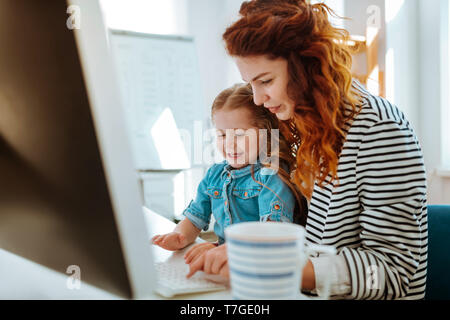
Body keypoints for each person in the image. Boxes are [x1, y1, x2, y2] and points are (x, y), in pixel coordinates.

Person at [186, 0, 427, 300]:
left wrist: (272, 267)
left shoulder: (378, 129)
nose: (259, 100)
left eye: (266, 81)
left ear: (306, 66)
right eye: (251, 85)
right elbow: (308, 239)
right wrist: (231, 253)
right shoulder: (305, 126)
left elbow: (393, 272)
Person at [152, 83, 307, 258]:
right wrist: (179, 236)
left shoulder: (271, 176)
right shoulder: (214, 175)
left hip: (261, 264)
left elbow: (272, 234)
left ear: (265, 133)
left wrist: (223, 250)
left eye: (239, 134)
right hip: (227, 260)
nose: (230, 144)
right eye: (222, 135)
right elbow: (195, 218)